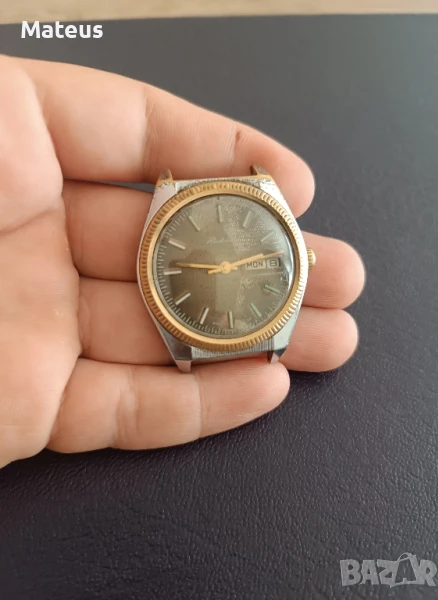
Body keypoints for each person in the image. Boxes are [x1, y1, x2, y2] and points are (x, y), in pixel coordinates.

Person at [0, 55, 365, 469]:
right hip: (188, 310)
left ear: (303, 257)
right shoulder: (198, 196)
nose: (225, 267)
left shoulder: (263, 189)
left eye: (227, 266)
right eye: (217, 266)